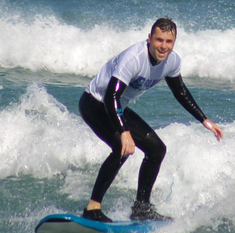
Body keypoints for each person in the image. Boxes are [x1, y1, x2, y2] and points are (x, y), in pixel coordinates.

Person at [78, 18, 223, 222]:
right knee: (122, 147)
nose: (163, 46)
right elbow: (111, 96)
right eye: (158, 40)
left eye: (168, 41)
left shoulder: (172, 62)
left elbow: (180, 91)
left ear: (174, 43)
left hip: (119, 107)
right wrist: (124, 131)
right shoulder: (134, 58)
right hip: (95, 103)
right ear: (149, 39)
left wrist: (204, 119)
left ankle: (141, 209)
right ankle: (92, 209)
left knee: (156, 150)